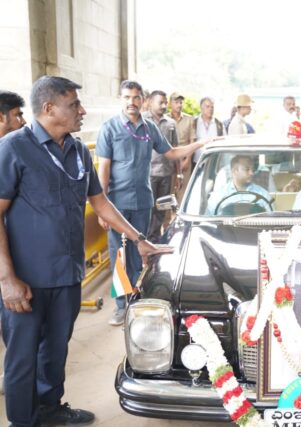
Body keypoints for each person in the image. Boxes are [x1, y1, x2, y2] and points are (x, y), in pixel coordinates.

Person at [0, 75, 171, 427]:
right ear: (48, 108)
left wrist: (140, 238)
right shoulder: (13, 148)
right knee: (22, 357)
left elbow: (100, 202)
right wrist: (6, 279)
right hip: (26, 278)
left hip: (67, 273)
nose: (83, 110)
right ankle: (23, 421)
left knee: (56, 348)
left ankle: (50, 408)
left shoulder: (77, 149)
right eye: (74, 104)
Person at [97, 80, 210, 326]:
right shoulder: (109, 129)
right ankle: (120, 306)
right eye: (127, 97)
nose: (131, 102)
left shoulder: (149, 128)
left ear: (143, 100)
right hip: (116, 204)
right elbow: (103, 169)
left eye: (136, 97)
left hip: (142, 201)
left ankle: (136, 302)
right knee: (119, 255)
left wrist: (199, 144)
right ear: (121, 99)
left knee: (140, 252)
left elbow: (171, 153)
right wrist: (102, 209)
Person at [142, 90, 180, 243]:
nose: (164, 106)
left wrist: (178, 174)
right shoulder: (143, 121)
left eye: (165, 103)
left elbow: (175, 148)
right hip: (147, 174)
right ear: (150, 102)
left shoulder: (170, 123)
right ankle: (145, 239)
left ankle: (155, 239)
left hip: (166, 173)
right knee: (148, 208)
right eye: (160, 102)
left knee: (162, 209)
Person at [207, 155, 271, 215]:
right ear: (235, 171)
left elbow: (272, 218)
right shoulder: (218, 195)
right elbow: (208, 219)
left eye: (252, 170)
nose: (251, 173)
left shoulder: (263, 194)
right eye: (247, 169)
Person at [168, 91, 196, 202]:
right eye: (176, 102)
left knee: (183, 193)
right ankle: (167, 218)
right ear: (170, 103)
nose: (179, 105)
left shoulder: (189, 119)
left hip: (185, 160)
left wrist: (188, 160)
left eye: (181, 102)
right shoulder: (165, 120)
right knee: (169, 193)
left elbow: (192, 140)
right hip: (169, 161)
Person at [193, 96, 226, 165]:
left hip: (214, 162)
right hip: (197, 162)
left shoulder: (219, 124)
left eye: (212, 107)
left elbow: (224, 142)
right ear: (201, 108)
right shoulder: (194, 123)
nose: (210, 109)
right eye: (207, 107)